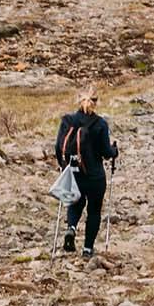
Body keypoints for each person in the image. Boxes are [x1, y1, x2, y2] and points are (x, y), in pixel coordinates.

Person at [54, 89, 119, 258]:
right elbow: (106, 151)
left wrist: (63, 165)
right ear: (95, 103)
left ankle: (71, 229)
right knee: (94, 210)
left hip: (73, 171)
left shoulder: (67, 121)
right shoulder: (100, 124)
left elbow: (57, 147)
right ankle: (88, 248)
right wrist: (114, 151)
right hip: (94, 175)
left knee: (75, 203)